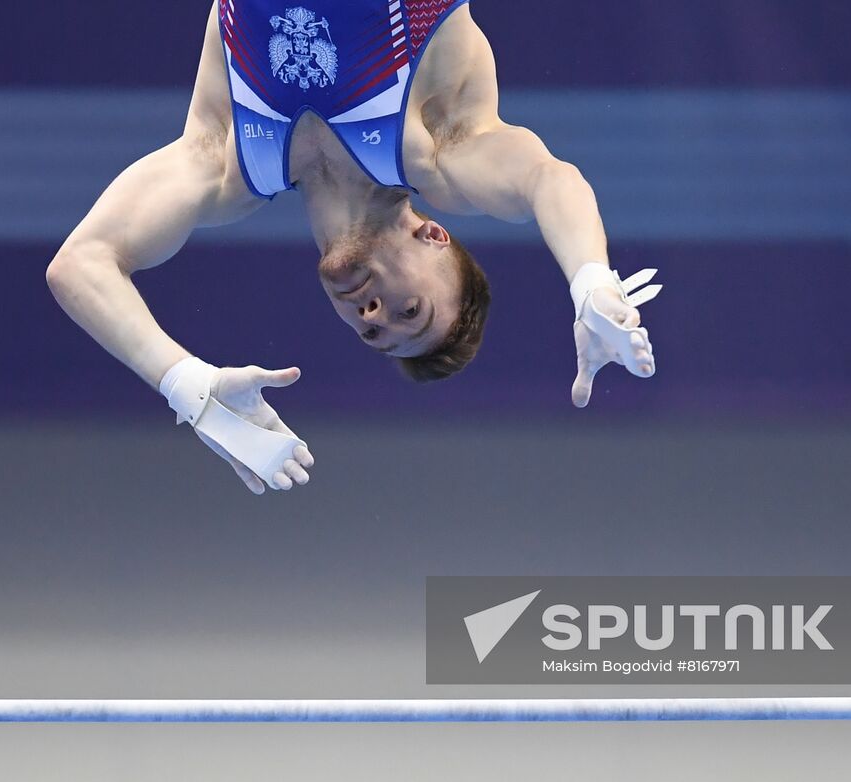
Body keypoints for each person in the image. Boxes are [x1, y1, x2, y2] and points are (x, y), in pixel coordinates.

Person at [46, 0, 662, 495]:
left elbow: (80, 265)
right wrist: (591, 282)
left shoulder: (229, 168)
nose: (372, 314)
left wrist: (189, 388)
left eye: (372, 332)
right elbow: (547, 179)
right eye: (408, 310)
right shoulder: (438, 148)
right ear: (432, 234)